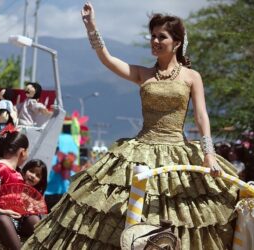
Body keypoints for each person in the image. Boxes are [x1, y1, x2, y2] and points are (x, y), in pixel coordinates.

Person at [22, 2, 239, 250]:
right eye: (153, 36)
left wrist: (209, 154)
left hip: (178, 152)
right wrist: (92, 26)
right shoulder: (142, 73)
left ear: (177, 42)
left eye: (162, 37)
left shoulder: (192, 77)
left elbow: (201, 116)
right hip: (140, 151)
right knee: (120, 211)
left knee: (183, 215)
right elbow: (107, 59)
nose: (155, 41)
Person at [18, 159, 48, 238]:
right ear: (25, 170)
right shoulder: (14, 183)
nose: (33, 176)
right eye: (31, 171)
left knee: (35, 219)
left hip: (24, 226)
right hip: (9, 220)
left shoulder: (36, 197)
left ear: (41, 181)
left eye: (38, 175)